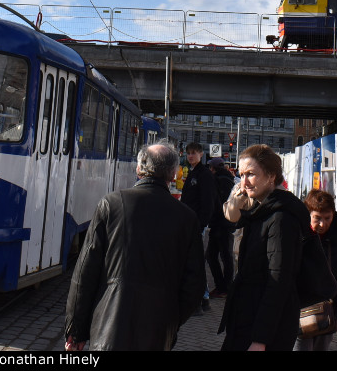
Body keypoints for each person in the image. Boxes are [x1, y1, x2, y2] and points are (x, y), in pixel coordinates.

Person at [64, 140, 205, 351]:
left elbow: (85, 272)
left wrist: (76, 330)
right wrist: (170, 320)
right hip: (158, 333)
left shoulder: (111, 204)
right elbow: (194, 285)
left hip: (108, 327)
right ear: (174, 173)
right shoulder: (187, 218)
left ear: (139, 169)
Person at [219, 144, 309, 351]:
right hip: (248, 317)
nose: (244, 182)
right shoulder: (260, 211)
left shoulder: (281, 218)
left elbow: (278, 281)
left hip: (263, 328)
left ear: (271, 176)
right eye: (241, 175)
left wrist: (260, 339)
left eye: (251, 174)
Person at [296, 189, 337, 351]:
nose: (322, 224)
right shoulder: (296, 235)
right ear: (308, 214)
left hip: (328, 312)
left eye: (327, 218)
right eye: (317, 218)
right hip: (299, 311)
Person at [180, 142, 216, 312]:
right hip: (191, 223)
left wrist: (201, 224)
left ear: (201, 154)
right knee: (196, 261)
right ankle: (204, 297)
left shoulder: (204, 175)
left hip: (196, 225)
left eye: (194, 153)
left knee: (195, 262)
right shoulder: (193, 173)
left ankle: (200, 300)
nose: (190, 156)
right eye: (188, 153)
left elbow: (207, 202)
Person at [206, 157, 236, 298]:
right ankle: (225, 286)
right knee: (225, 256)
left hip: (220, 223)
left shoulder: (216, 180)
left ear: (213, 168)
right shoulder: (230, 179)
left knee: (214, 256)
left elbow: (214, 202)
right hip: (228, 222)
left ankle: (223, 287)